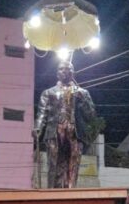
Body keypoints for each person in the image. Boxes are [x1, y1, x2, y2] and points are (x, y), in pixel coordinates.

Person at [34, 60, 97, 188]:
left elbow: (91, 116)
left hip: (75, 132)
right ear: (57, 73)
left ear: (73, 73)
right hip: (54, 132)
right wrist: (38, 128)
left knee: (73, 163)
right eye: (62, 69)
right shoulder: (48, 93)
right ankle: (52, 191)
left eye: (68, 69)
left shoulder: (82, 93)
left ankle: (70, 190)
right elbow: (42, 113)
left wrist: (83, 99)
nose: (65, 71)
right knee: (54, 163)